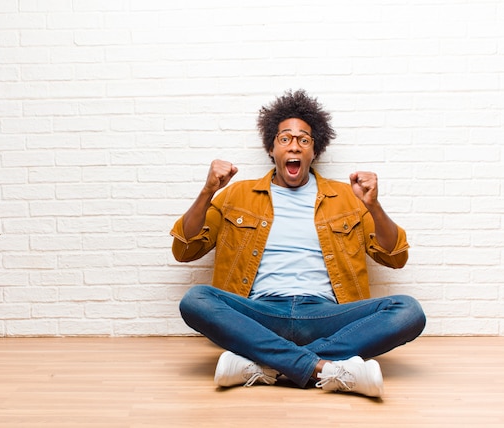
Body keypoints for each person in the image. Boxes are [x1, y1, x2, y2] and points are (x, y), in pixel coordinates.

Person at [169, 89, 426, 398]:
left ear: (313, 151)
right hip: (259, 313)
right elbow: (184, 250)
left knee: (408, 311)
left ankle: (268, 364)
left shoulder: (347, 197)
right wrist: (207, 191)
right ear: (271, 148)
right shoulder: (236, 195)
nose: (295, 146)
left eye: (304, 140)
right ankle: (325, 369)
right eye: (285, 139)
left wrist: (374, 206)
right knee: (195, 299)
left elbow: (394, 257)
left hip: (323, 316)